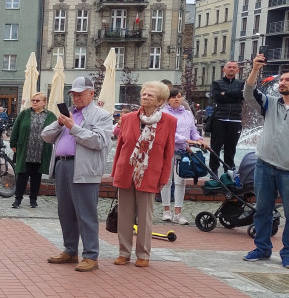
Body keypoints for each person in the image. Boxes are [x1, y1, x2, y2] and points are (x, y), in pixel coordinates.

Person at [41, 76, 113, 272]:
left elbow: (99, 141)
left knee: (86, 213)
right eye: (73, 94)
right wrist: (59, 124)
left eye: (80, 94)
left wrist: (73, 128)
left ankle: (91, 255)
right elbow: (45, 136)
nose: (76, 98)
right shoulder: (69, 114)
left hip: (83, 168)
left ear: (91, 93)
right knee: (65, 211)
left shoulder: (102, 116)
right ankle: (70, 250)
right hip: (62, 165)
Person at [111, 82, 177, 267]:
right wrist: (115, 172)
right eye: (144, 94)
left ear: (160, 101)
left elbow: (168, 153)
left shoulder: (169, 121)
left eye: (150, 95)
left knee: (145, 217)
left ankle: (143, 254)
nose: (145, 97)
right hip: (126, 171)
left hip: (149, 174)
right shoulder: (128, 119)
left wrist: (164, 178)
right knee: (124, 215)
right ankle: (124, 252)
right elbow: (120, 148)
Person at [242, 54, 289, 267]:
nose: (282, 83)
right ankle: (262, 248)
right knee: (262, 210)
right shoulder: (270, 103)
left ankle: (287, 253)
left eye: (287, 80)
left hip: (287, 169)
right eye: (282, 79)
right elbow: (249, 93)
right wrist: (255, 70)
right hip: (264, 164)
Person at [160, 88, 206, 224]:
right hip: (167, 150)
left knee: (180, 181)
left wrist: (199, 139)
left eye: (179, 96)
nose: (177, 99)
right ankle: (166, 210)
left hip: (183, 152)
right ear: (168, 100)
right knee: (166, 181)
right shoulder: (164, 113)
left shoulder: (187, 113)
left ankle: (178, 213)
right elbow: (168, 133)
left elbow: (193, 130)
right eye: (173, 97)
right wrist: (186, 140)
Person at [9, 92, 56, 208]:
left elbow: (56, 131)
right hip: (25, 150)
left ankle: (33, 199)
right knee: (22, 176)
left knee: (36, 177)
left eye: (37, 100)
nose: (34, 102)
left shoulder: (51, 116)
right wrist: (13, 143)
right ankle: (18, 199)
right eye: (33, 100)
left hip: (41, 151)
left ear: (44, 103)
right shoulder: (25, 113)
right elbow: (16, 128)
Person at [209, 61, 245, 174]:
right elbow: (217, 97)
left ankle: (229, 171)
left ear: (238, 70)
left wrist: (226, 94)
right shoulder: (217, 83)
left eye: (234, 67)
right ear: (224, 70)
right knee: (215, 147)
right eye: (229, 67)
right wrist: (235, 97)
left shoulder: (242, 83)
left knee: (231, 148)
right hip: (219, 119)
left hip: (235, 119)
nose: (231, 69)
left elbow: (242, 96)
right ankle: (213, 170)